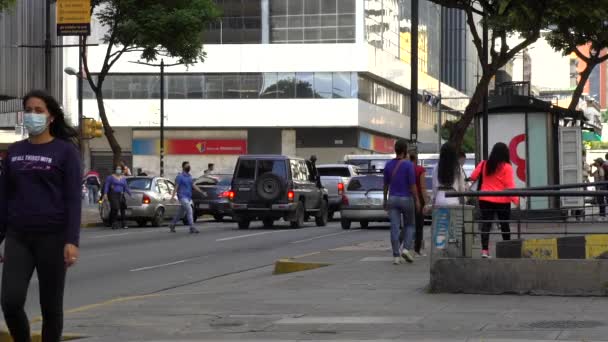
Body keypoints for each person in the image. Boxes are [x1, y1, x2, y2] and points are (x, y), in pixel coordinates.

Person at [0, 90, 81, 341]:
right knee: (10, 302)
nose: (32, 115)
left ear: (51, 117)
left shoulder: (65, 152)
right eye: (28, 110)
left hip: (53, 238)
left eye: (39, 110)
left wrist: (71, 240)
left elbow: (73, 199)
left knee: (51, 308)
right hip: (18, 236)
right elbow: (4, 199)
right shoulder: (14, 152)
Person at [470, 142, 519, 258]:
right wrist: (516, 200)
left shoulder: (484, 164)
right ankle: (507, 250)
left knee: (486, 225)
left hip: (485, 199)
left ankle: (485, 251)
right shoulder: (507, 167)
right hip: (502, 200)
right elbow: (509, 186)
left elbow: (472, 176)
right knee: (504, 225)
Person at [383, 139, 420, 265]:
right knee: (410, 225)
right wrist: (417, 200)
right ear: (405, 151)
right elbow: (413, 185)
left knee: (394, 227)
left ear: (395, 150)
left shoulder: (388, 165)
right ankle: (406, 249)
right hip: (406, 199)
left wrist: (385, 200)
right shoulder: (409, 165)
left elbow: (385, 185)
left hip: (392, 199)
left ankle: (396, 256)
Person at [170, 161, 205, 234]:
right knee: (189, 209)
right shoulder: (179, 177)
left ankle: (172, 224)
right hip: (182, 197)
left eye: (189, 166)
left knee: (180, 213)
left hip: (188, 197)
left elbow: (193, 185)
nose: (188, 167)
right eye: (187, 166)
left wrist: (202, 192)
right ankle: (192, 227)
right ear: (183, 167)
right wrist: (172, 197)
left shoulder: (189, 176)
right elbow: (176, 187)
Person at [410, 153, 429, 256]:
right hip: (418, 200)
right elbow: (422, 187)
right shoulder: (420, 170)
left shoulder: (405, 169)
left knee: (408, 225)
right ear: (416, 159)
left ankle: (403, 246)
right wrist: (426, 202)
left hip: (407, 198)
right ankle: (417, 249)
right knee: (419, 225)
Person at [103, 165, 131, 230]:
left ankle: (123, 223)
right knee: (115, 208)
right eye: (117, 169)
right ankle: (114, 223)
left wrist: (130, 194)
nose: (118, 170)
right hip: (113, 194)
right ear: (115, 170)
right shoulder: (110, 177)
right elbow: (107, 186)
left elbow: (126, 187)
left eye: (120, 169)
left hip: (121, 194)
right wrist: (105, 194)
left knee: (122, 208)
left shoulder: (123, 178)